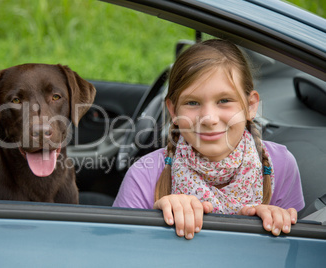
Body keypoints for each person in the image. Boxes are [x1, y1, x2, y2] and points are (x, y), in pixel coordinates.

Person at [113, 39, 305, 239]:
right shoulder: (144, 175)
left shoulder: (281, 165)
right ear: (173, 111)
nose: (209, 118)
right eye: (192, 102)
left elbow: (293, 253)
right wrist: (159, 222)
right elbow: (120, 250)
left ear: (250, 106)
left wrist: (271, 226)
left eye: (224, 101)